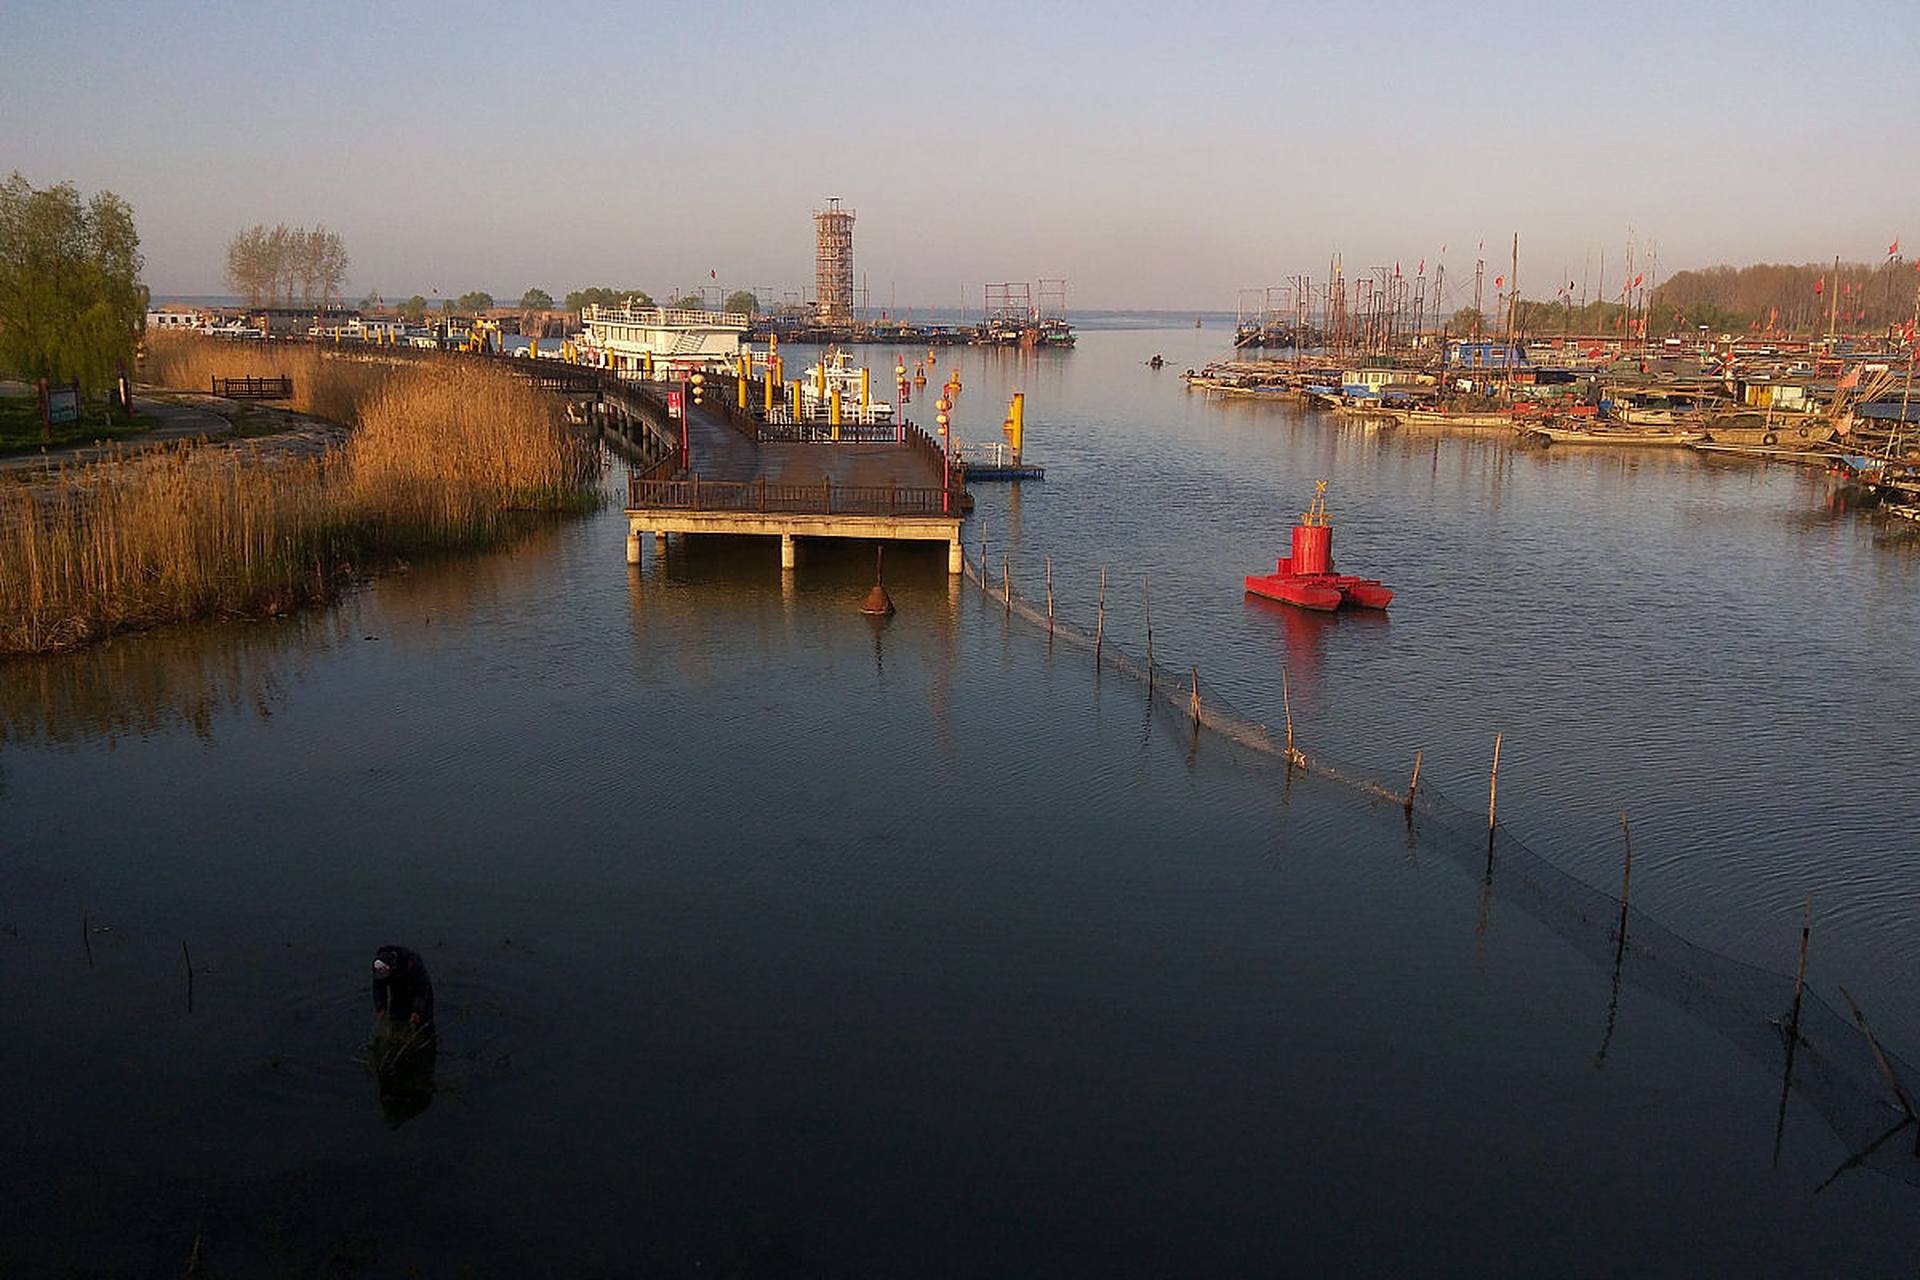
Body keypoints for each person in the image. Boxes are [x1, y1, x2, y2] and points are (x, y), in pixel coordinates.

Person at [370, 944, 434, 1030]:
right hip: (398, 991)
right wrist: (381, 1007)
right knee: (396, 1020)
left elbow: (422, 989)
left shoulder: (412, 962)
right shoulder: (378, 967)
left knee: (423, 1022)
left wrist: (417, 1010)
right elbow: (378, 987)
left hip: (418, 989)